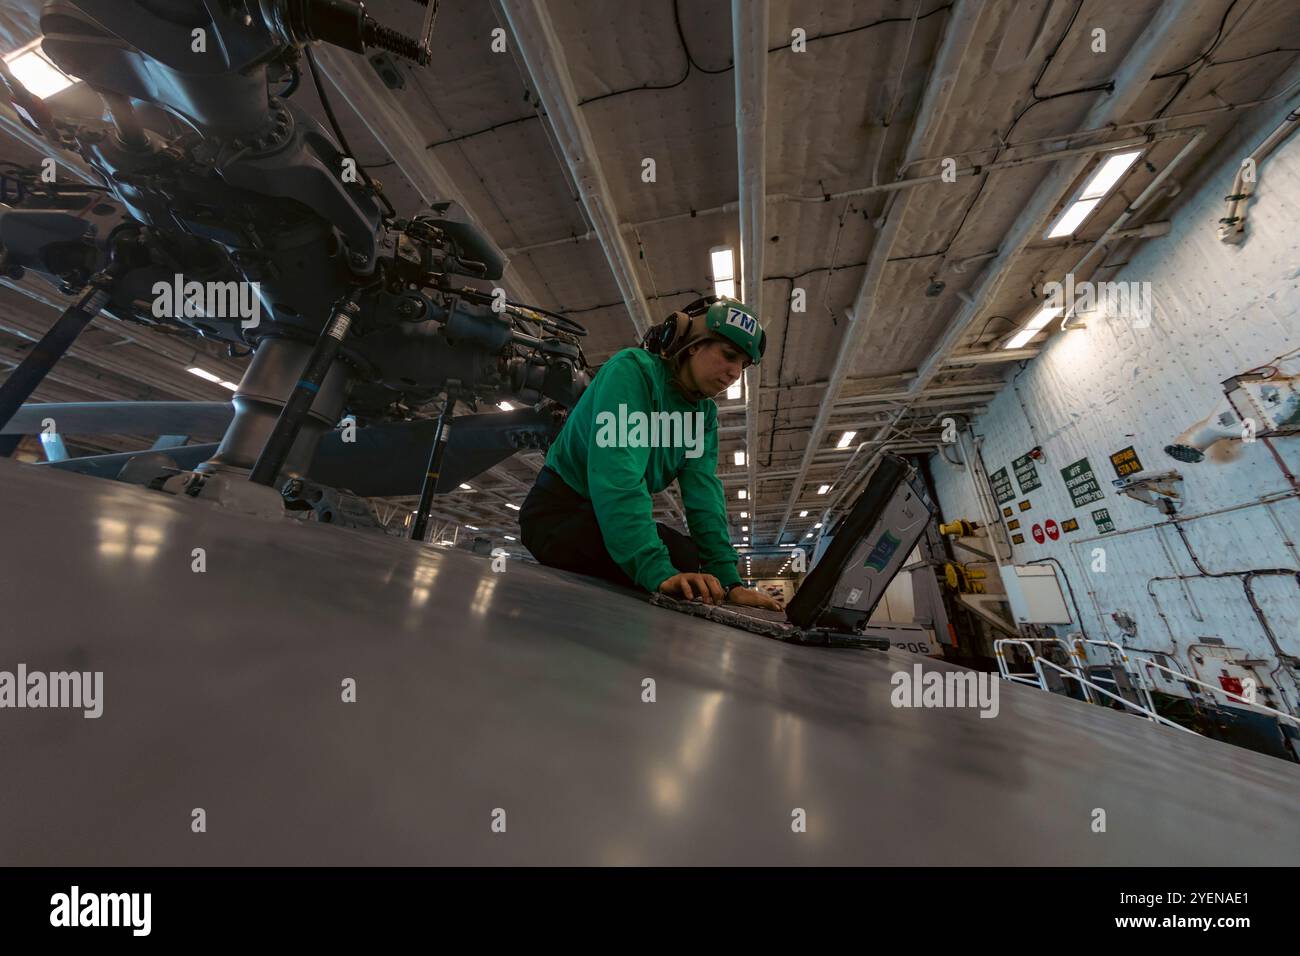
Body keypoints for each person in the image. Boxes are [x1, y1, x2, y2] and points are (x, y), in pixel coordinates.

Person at [520, 296, 783, 611]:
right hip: (557, 517)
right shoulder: (632, 372)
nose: (734, 373)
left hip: (599, 520)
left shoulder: (703, 415)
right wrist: (657, 572)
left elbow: (703, 495)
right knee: (671, 568)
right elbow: (617, 476)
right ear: (693, 343)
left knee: (688, 558)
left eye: (743, 364)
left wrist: (729, 582)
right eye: (728, 355)